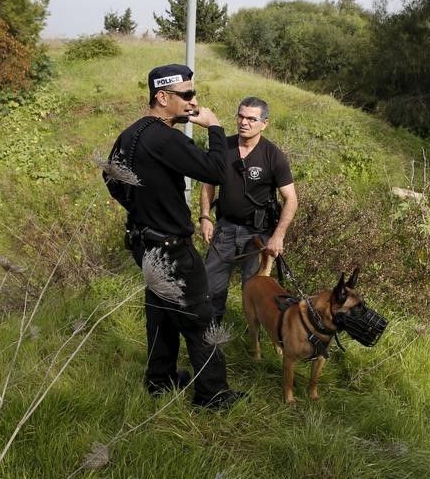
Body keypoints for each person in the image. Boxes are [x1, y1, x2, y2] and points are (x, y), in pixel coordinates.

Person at [103, 63, 243, 409]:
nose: (193, 102)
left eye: (194, 94)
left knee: (161, 315)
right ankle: (213, 395)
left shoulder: (131, 133)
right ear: (162, 97)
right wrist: (214, 127)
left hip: (144, 243)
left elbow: (112, 180)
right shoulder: (165, 138)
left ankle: (160, 380)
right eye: (187, 95)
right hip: (171, 246)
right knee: (200, 319)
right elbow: (216, 171)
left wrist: (143, 209)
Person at [199, 96, 298, 323]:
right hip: (224, 229)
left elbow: (291, 199)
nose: (244, 122)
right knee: (211, 286)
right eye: (241, 116)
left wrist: (278, 236)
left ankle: (253, 339)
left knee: (254, 291)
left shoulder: (273, 155)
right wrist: (205, 217)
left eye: (251, 119)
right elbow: (208, 183)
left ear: (264, 123)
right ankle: (211, 335)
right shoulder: (224, 146)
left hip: (257, 235)